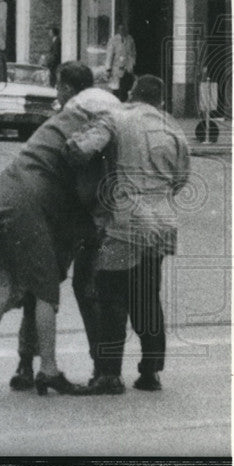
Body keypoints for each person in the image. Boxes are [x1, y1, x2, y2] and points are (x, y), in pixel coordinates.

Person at [0, 63, 120, 397]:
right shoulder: (93, 125)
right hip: (25, 204)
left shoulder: (57, 122)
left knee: (1, 287)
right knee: (46, 289)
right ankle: (48, 369)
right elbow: (84, 188)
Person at [67, 75, 190, 394]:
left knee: (111, 295)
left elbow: (81, 148)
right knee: (147, 295)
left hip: (126, 222)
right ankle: (150, 372)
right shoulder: (173, 127)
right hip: (162, 222)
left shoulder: (117, 117)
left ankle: (109, 373)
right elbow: (181, 178)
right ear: (161, 100)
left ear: (131, 94)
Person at [104, 22, 136, 101]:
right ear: (118, 30)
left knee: (125, 90)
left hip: (126, 68)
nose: (122, 31)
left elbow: (133, 54)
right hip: (116, 68)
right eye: (120, 29)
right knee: (116, 90)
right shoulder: (113, 40)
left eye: (124, 29)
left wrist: (131, 65)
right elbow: (109, 55)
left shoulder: (130, 39)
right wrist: (108, 68)